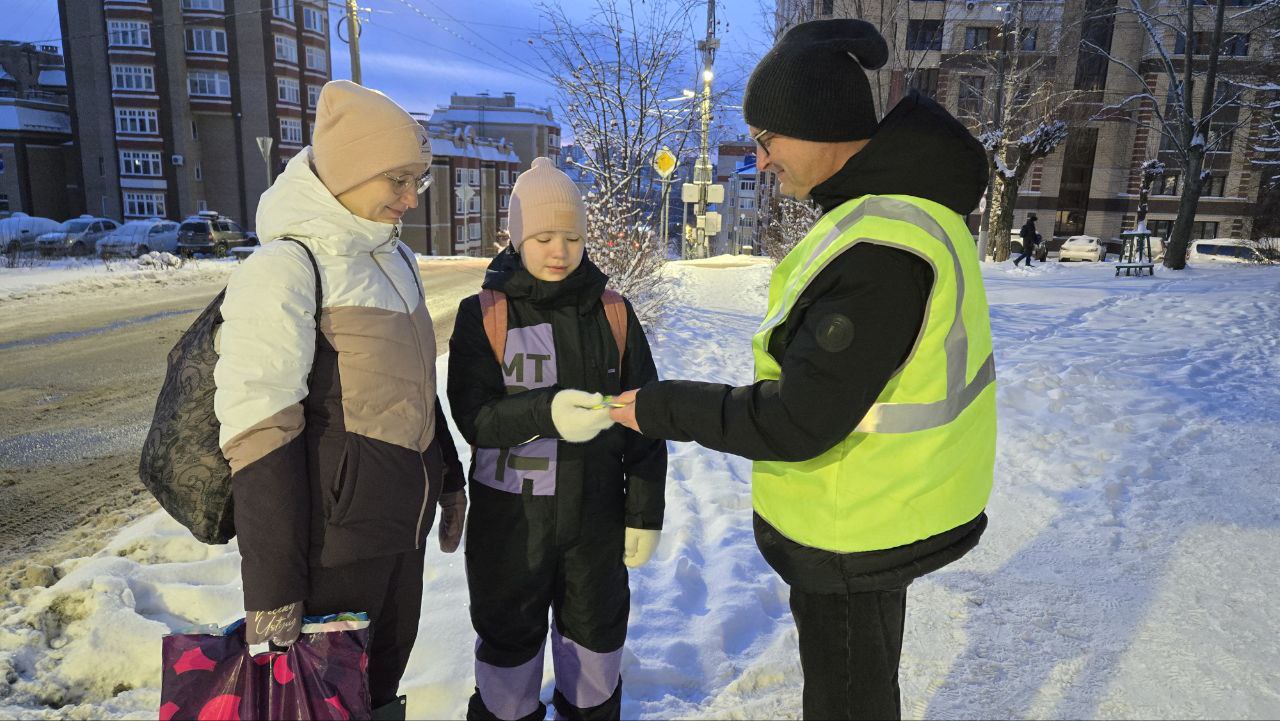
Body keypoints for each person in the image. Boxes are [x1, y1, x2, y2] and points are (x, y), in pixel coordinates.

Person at [609, 19, 995, 721]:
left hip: (856, 521)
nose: (760, 159)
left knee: (849, 697)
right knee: (862, 683)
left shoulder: (879, 249)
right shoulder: (883, 216)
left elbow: (799, 418)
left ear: (818, 125)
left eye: (766, 139)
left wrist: (660, 407)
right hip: (881, 503)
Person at [214, 80, 466, 721]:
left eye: (421, 181)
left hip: (397, 537)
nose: (411, 199)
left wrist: (449, 477)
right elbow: (258, 430)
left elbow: (415, 389)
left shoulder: (395, 258)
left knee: (378, 698)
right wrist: (271, 590)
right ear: (350, 172)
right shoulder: (287, 267)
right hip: (329, 551)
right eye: (397, 181)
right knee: (322, 708)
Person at [447, 157, 667, 721]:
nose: (559, 251)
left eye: (572, 237)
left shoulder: (612, 313)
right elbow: (474, 417)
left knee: (594, 646)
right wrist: (544, 412)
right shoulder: (484, 314)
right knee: (508, 649)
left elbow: (645, 417)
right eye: (543, 237)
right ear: (517, 237)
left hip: (594, 520)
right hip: (511, 526)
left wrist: (645, 512)